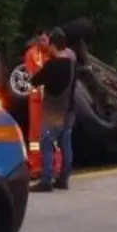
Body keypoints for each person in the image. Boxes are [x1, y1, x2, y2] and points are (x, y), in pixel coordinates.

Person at [30, 27, 77, 192]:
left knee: (46, 143)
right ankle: (64, 178)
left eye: (49, 44)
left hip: (53, 112)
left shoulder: (51, 65)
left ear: (54, 46)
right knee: (66, 144)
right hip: (69, 110)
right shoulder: (72, 64)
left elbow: (35, 81)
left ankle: (46, 180)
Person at [23, 33, 53, 178]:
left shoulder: (54, 53)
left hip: (51, 98)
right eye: (41, 40)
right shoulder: (31, 54)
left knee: (52, 133)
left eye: (46, 40)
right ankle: (35, 165)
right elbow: (31, 75)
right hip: (36, 99)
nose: (44, 42)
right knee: (35, 135)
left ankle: (53, 165)